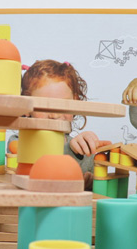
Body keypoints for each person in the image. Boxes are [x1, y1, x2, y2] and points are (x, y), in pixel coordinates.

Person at [19, 60, 111, 189]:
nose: (54, 115)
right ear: (26, 107)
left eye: (63, 105)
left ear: (75, 102)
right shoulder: (19, 142)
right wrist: (69, 150)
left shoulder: (83, 149)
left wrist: (93, 182)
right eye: (44, 106)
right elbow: (41, 165)